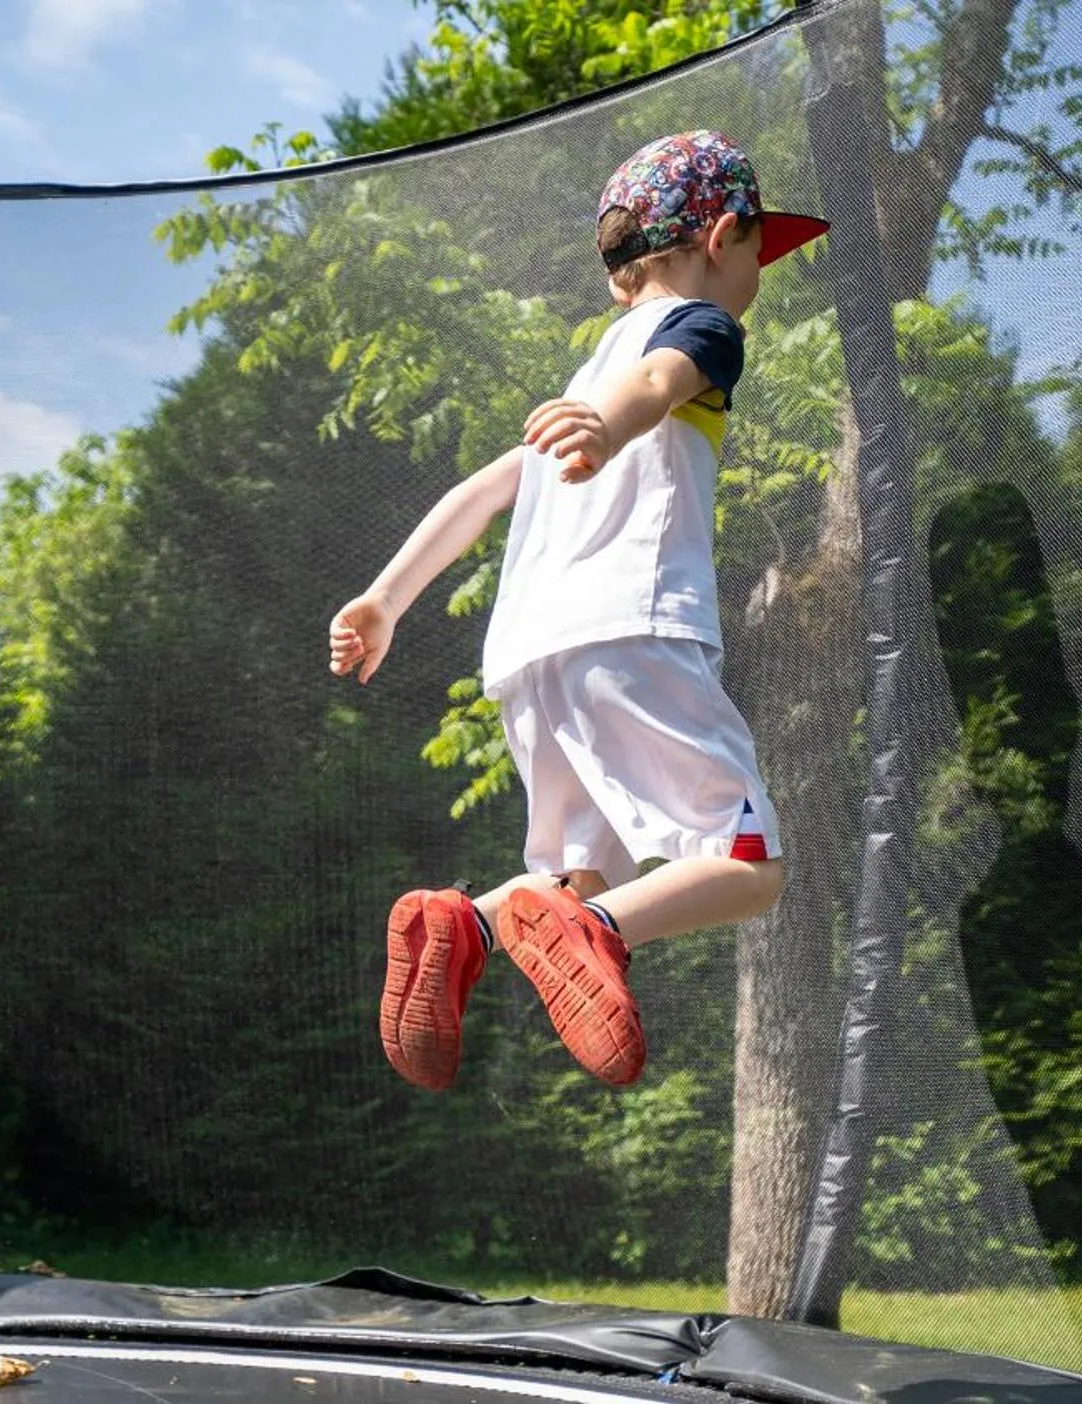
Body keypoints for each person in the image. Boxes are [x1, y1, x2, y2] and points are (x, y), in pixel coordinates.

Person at [327, 130, 829, 1091]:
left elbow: (478, 495)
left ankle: (460, 924)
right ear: (723, 235)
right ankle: (594, 933)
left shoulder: (572, 386)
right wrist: (614, 424)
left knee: (570, 877)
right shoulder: (699, 329)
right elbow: (660, 381)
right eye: (760, 253)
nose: (758, 275)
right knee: (747, 866)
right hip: (632, 627)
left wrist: (386, 598)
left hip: (529, 660)